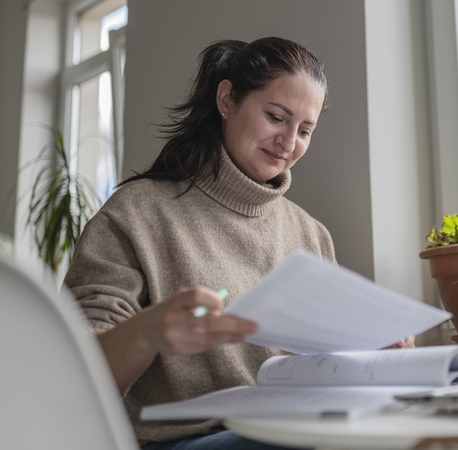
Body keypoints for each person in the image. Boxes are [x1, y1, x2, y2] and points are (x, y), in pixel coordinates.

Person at [64, 37, 412, 450]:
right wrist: (150, 331)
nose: (289, 142)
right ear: (227, 100)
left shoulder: (311, 234)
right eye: (276, 117)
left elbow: (319, 368)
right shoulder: (136, 214)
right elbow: (73, 379)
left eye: (304, 130)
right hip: (188, 440)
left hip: (296, 427)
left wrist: (367, 354)